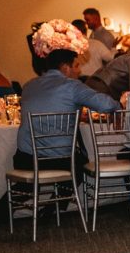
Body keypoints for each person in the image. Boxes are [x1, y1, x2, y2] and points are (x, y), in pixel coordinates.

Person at [14, 45, 118, 182]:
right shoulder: (72, 86)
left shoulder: (28, 86)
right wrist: (119, 104)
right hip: (59, 161)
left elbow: (45, 107)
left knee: (26, 187)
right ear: (65, 67)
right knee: (79, 169)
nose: (79, 71)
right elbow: (106, 105)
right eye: (76, 66)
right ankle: (54, 204)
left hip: (25, 159)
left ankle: (8, 202)